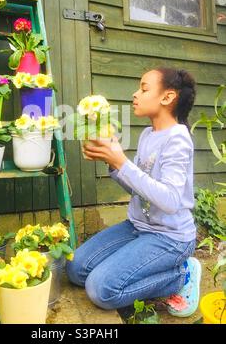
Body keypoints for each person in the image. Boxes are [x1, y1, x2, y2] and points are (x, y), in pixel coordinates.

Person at [66, 67, 202, 317]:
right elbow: (139, 189)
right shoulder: (148, 134)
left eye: (144, 88)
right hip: (138, 227)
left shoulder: (178, 139)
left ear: (167, 97)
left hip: (170, 238)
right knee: (75, 268)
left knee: (100, 290)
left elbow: (170, 201)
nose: (135, 94)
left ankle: (181, 275)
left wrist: (122, 163)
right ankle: (150, 267)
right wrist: (112, 163)